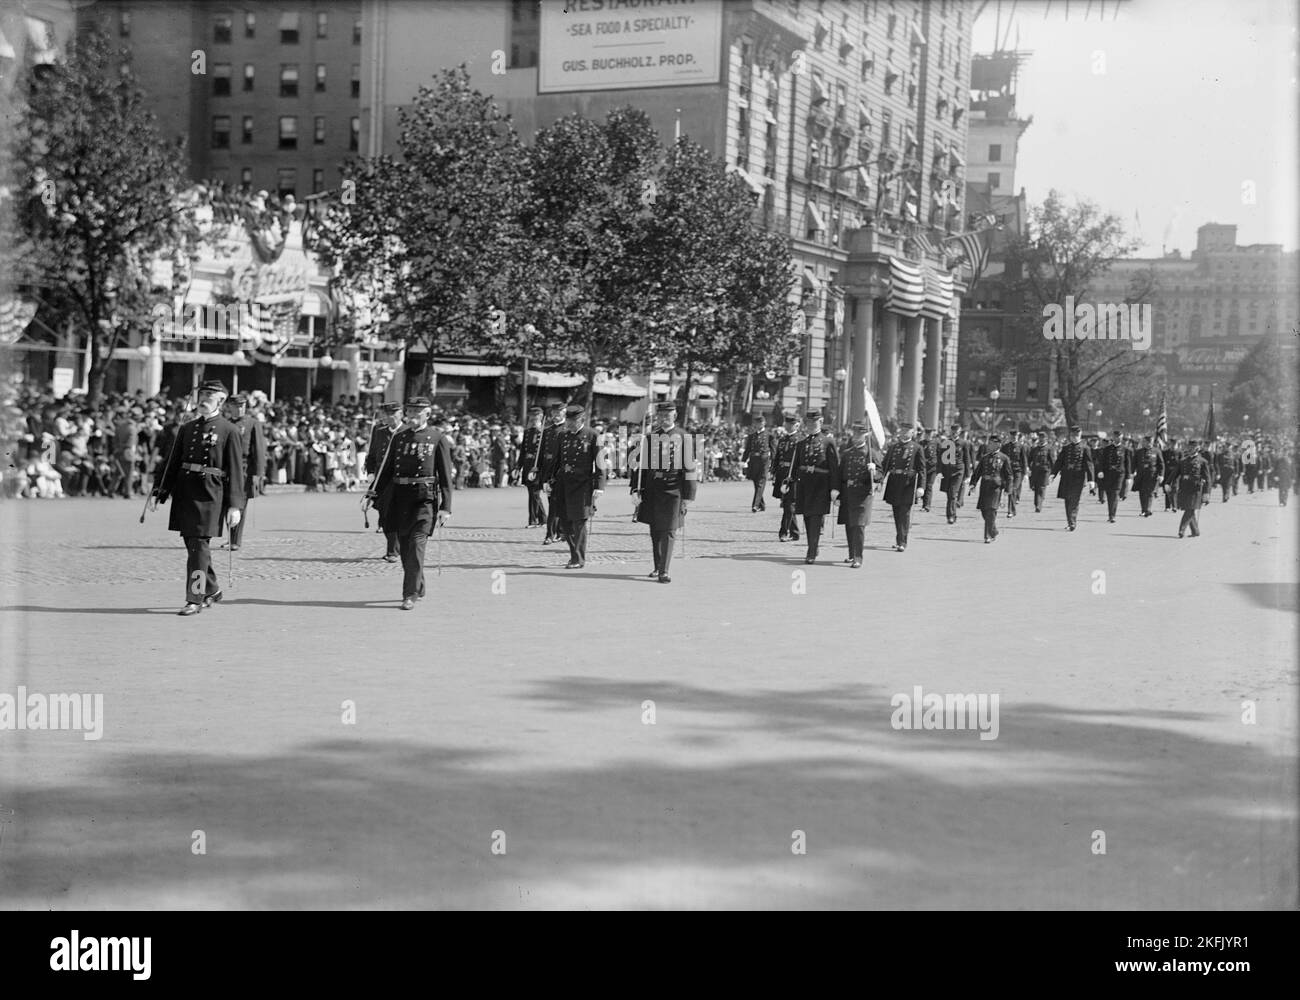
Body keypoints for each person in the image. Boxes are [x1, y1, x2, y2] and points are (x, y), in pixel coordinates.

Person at [152, 380, 246, 616]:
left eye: (209, 396)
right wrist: (160, 491)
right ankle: (212, 590)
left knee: (197, 547)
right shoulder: (187, 428)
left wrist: (235, 505)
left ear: (221, 400)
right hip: (186, 493)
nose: (202, 399)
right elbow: (172, 462)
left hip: (211, 494)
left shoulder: (229, 430)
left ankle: (195, 597)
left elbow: (235, 469)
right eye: (201, 394)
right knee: (195, 546)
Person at [370, 397, 453, 610]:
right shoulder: (399, 437)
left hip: (424, 500)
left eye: (417, 412)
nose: (412, 416)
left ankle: (410, 594)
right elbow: (387, 470)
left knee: (416, 544)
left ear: (427, 414)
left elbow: (445, 476)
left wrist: (446, 507)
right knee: (406, 549)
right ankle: (419, 583)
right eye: (410, 412)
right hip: (401, 498)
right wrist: (373, 493)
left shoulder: (437, 438)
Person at [630, 401, 698, 583]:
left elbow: (690, 468)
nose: (663, 419)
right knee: (655, 530)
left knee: (669, 530)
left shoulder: (684, 437)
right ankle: (658, 565)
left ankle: (664, 571)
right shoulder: (651, 438)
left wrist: (688, 496)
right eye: (660, 416)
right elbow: (640, 468)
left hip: (674, 490)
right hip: (653, 489)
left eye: (667, 415)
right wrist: (635, 489)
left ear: (674, 416)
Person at [543, 404, 605, 569]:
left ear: (582, 420)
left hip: (582, 485)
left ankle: (578, 558)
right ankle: (573, 555)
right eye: (568, 420)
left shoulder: (593, 436)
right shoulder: (562, 436)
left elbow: (600, 463)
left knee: (579, 522)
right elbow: (556, 461)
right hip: (563, 484)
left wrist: (599, 486)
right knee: (565, 522)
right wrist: (547, 479)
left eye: (573, 421)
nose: (569, 424)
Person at [788, 410, 839, 564]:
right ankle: (813, 545)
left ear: (821, 422)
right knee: (808, 518)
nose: (811, 425)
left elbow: (834, 467)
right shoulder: (801, 443)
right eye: (809, 422)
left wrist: (834, 488)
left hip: (821, 486)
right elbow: (795, 466)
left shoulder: (828, 442)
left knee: (816, 518)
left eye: (814, 422)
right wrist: (789, 481)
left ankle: (811, 551)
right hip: (805, 485)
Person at [224, 394, 266, 551]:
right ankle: (230, 538)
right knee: (227, 503)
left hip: (244, 469)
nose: (240, 408)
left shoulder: (252, 423)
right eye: (237, 406)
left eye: (243, 406)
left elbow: (259, 449)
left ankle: (236, 540)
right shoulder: (226, 423)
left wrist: (259, 472)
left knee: (239, 503)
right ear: (230, 407)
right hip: (227, 468)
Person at [364, 402, 404, 561]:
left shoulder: (407, 431)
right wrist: (370, 472)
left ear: (401, 414)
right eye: (387, 414)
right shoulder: (379, 432)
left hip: (400, 480)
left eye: (393, 414)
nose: (390, 417)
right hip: (382, 480)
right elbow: (372, 454)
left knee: (396, 514)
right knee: (384, 516)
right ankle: (395, 547)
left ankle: (393, 551)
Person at [835, 421, 878, 568]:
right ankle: (852, 554)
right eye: (855, 434)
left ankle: (858, 557)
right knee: (849, 525)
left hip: (863, 494)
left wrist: (875, 471)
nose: (856, 437)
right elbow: (840, 475)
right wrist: (837, 492)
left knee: (858, 526)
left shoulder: (871, 454)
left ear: (865, 436)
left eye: (859, 435)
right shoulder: (847, 454)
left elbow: (880, 474)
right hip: (848, 493)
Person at [880, 423, 927, 552]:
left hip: (908, 483)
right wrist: (879, 481)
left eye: (908, 431)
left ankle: (902, 541)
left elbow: (922, 469)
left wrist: (921, 487)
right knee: (896, 513)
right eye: (903, 430)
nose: (904, 433)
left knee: (904, 513)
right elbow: (885, 465)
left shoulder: (917, 448)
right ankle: (899, 538)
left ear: (912, 433)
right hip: (894, 482)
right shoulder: (893, 447)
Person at [1049, 425, 1095, 531]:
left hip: (1078, 479)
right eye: (1073, 435)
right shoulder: (1066, 448)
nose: (1075, 437)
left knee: (1074, 500)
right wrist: (1053, 474)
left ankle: (1072, 523)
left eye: (1077, 435)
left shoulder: (1085, 448)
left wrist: (1091, 480)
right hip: (1066, 478)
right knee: (1067, 500)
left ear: (1080, 436)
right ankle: (1070, 521)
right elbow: (1059, 462)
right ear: (1070, 436)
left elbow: (1089, 465)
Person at [970, 433, 1013, 543]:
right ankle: (993, 530)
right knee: (984, 511)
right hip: (985, 487)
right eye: (989, 443)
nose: (989, 445)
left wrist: (1008, 489)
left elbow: (1009, 475)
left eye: (992, 443)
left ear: (998, 444)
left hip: (996, 488)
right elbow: (977, 472)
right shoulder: (985, 457)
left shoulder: (1004, 458)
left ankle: (987, 535)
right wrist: (973, 484)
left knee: (991, 510)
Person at [1171, 439, 1212, 539]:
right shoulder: (1183, 461)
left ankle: (1181, 530)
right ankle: (1195, 531)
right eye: (1189, 447)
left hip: (1196, 489)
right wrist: (1168, 483)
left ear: (1197, 448)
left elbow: (1207, 478)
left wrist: (1206, 493)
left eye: (1192, 448)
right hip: (1185, 488)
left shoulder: (1202, 461)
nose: (1189, 449)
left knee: (1189, 509)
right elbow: (1175, 473)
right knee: (1190, 509)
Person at [772, 414, 801, 543]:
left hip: (793, 476)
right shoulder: (783, 440)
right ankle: (795, 532)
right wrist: (774, 471)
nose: (788, 426)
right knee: (787, 505)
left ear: (797, 425)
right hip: (782, 474)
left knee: (788, 505)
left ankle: (784, 532)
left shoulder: (800, 440)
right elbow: (777, 457)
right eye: (787, 424)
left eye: (791, 424)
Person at [540, 402, 566, 545]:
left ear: (564, 413)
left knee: (561, 505)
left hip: (562, 472)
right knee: (553, 505)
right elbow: (542, 454)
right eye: (553, 413)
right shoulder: (547, 431)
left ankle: (560, 532)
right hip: (549, 473)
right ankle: (551, 534)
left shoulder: (567, 429)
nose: (555, 416)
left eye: (558, 413)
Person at [1095, 431, 1131, 523]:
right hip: (1108, 474)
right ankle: (1110, 512)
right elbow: (1101, 461)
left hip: (1119, 474)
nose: (1118, 438)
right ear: (1113, 437)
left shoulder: (1125, 449)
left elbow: (1127, 464)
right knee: (1109, 494)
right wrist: (1100, 471)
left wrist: (1128, 477)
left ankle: (1112, 516)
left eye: (1120, 437)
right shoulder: (1107, 449)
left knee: (1115, 494)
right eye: (1116, 436)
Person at [520, 406, 547, 527]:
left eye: (535, 417)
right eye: (531, 417)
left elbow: (545, 452)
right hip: (527, 465)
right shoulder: (527, 432)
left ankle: (533, 520)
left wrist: (541, 467)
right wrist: (517, 466)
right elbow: (522, 451)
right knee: (532, 493)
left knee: (534, 493)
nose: (533, 419)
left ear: (541, 417)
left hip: (537, 467)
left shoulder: (544, 433)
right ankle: (543, 518)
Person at [936, 428, 968, 524]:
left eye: (956, 431)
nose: (954, 433)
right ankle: (951, 514)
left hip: (958, 470)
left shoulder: (963, 443)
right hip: (947, 471)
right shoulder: (945, 442)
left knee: (953, 493)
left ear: (959, 432)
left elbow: (967, 458)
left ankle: (951, 516)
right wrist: (939, 471)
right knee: (949, 495)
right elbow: (940, 458)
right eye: (952, 431)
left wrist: (968, 474)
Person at [742, 420, 773, 512]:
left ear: (764, 423)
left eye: (760, 423)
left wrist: (774, 463)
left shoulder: (769, 435)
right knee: (756, 482)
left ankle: (755, 505)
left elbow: (773, 449)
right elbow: (748, 449)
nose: (758, 425)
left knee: (760, 482)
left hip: (764, 461)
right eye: (756, 423)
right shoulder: (751, 436)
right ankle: (761, 504)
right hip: (753, 461)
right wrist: (743, 460)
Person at [1131, 435, 1165, 517]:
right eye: (1146, 442)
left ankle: (1148, 510)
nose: (1148, 443)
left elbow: (1161, 464)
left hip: (1152, 475)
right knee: (1142, 493)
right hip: (1141, 475)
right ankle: (1144, 510)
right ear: (1144, 442)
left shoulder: (1157, 451)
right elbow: (1134, 463)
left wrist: (1161, 475)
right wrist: (1132, 472)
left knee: (1150, 492)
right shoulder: (1138, 451)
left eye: (1150, 442)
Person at [1000, 430, 1029, 518]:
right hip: (1008, 472)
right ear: (1009, 436)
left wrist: (1025, 474)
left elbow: (1024, 460)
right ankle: (1012, 510)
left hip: (1017, 471)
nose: (1014, 437)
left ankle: (1010, 511)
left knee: (1012, 489)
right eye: (1012, 436)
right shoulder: (1005, 447)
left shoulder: (1021, 446)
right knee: (1010, 490)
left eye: (1015, 436)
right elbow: (1001, 459)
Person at [1027, 430, 1055, 513]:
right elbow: (1029, 459)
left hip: (1045, 471)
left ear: (1046, 439)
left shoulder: (1049, 448)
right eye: (1040, 438)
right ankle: (1037, 503)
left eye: (1043, 438)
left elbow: (1052, 461)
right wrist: (1028, 468)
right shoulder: (1034, 449)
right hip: (1035, 471)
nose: (1041, 439)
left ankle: (1039, 505)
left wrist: (1053, 473)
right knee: (1036, 488)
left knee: (1042, 487)